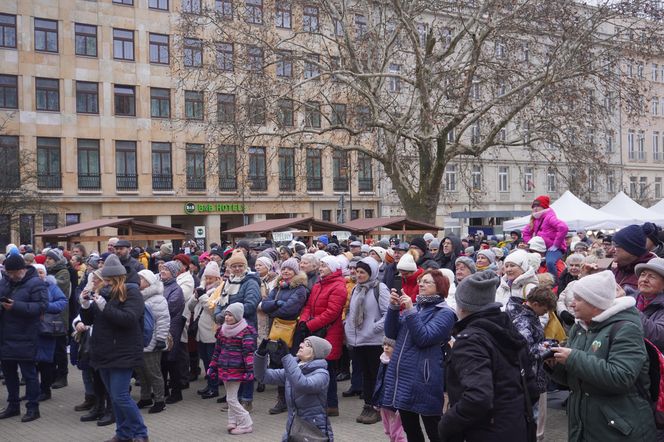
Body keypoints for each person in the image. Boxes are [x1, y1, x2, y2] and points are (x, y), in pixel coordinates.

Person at [547, 270, 656, 441]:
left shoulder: (626, 329)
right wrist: (553, 363)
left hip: (619, 430)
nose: (572, 304)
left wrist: (572, 357)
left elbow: (621, 377)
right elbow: (575, 380)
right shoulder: (580, 327)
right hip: (586, 425)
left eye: (579, 299)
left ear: (595, 303)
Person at [439, 270, 538, 442]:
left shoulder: (471, 341)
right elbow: (531, 388)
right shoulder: (508, 329)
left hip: (485, 432)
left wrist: (447, 423)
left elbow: (478, 397)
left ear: (462, 306)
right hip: (515, 426)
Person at [79, 254, 149, 442]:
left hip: (123, 351)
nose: (105, 283)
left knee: (120, 396)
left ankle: (141, 432)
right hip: (103, 350)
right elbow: (89, 321)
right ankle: (123, 433)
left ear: (118, 278)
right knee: (114, 396)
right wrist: (85, 305)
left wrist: (104, 307)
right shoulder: (102, 292)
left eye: (109, 280)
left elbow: (128, 319)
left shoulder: (132, 293)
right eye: (104, 280)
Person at [382, 269, 456, 442]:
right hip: (404, 377)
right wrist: (393, 308)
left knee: (434, 428)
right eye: (421, 281)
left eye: (427, 282)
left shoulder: (445, 313)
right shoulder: (416, 308)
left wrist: (409, 311)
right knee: (411, 429)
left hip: (424, 379)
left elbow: (424, 338)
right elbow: (391, 333)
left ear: (440, 287)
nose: (421, 284)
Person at [254, 336, 334, 441]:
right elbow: (262, 376)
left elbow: (302, 384)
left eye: (307, 344)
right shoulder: (293, 369)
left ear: (315, 353)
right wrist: (261, 355)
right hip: (293, 429)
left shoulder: (322, 374)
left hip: (313, 432)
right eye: (303, 342)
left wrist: (287, 357)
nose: (301, 345)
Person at [296, 255, 347, 416]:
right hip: (316, 331)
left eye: (324, 266)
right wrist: (303, 321)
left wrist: (310, 325)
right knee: (316, 368)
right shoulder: (319, 284)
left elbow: (332, 313)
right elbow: (308, 306)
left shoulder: (338, 286)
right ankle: (318, 403)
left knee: (328, 369)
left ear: (332, 268)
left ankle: (331, 404)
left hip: (329, 333)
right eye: (321, 265)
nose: (320, 268)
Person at [0, 255, 48, 422]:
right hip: (5, 336)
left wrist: (15, 306)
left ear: (22, 270)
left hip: (26, 335)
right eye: (8, 272)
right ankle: (13, 405)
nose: (10, 275)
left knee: (29, 374)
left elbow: (42, 306)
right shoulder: (5, 281)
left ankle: (33, 408)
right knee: (9, 374)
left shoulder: (36, 283)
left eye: (13, 272)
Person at [506, 285, 557, 441]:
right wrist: (550, 348)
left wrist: (547, 343)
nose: (546, 313)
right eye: (545, 309)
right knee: (534, 419)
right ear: (535, 304)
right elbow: (526, 350)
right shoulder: (524, 320)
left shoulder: (522, 314)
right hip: (531, 377)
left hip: (528, 376)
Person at [259, 257, 308, 415]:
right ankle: (281, 399)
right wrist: (275, 305)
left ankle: (293, 399)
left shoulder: (300, 288)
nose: (286, 271)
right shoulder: (278, 286)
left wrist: (274, 307)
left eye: (290, 269)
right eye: (284, 269)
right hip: (275, 331)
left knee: (289, 364)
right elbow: (264, 305)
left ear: (295, 272)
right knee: (276, 363)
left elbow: (290, 310)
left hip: (291, 332)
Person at [213, 249, 261, 411]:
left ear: (245, 266)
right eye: (234, 266)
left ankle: (246, 399)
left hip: (245, 330)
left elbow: (251, 304)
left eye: (240, 266)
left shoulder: (250, 281)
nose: (237, 269)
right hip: (229, 330)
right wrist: (219, 315)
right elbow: (220, 301)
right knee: (234, 365)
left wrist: (229, 314)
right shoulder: (229, 281)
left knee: (246, 365)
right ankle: (234, 399)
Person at [344, 257, 390, 425]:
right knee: (366, 376)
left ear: (371, 273)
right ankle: (368, 404)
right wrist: (348, 328)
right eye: (357, 272)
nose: (359, 275)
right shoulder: (357, 288)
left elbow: (388, 313)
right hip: (359, 340)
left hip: (374, 341)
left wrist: (373, 328)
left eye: (363, 272)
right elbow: (352, 312)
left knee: (375, 376)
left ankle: (378, 407)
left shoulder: (380, 288)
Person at [207, 303, 256, 435]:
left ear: (238, 316)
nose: (227, 317)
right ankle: (232, 420)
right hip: (223, 367)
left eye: (231, 315)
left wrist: (250, 371)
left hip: (237, 369)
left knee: (231, 399)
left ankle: (246, 422)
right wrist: (212, 366)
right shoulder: (222, 330)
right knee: (230, 396)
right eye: (226, 314)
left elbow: (248, 353)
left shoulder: (245, 332)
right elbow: (217, 350)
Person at [135, 269, 170, 414]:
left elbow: (163, 320)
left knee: (154, 372)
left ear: (148, 282)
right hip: (139, 341)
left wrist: (161, 338)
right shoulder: (138, 297)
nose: (138, 281)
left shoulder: (158, 299)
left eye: (141, 279)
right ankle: (145, 396)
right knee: (141, 373)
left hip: (153, 341)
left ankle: (160, 400)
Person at [33, 264, 68, 402]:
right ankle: (33, 389)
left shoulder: (52, 287)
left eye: (41, 272)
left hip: (46, 330)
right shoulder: (29, 287)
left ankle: (45, 390)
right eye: (36, 272)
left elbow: (62, 301)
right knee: (31, 362)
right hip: (31, 329)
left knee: (45, 362)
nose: (39, 275)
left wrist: (46, 306)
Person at [189, 261, 224, 400]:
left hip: (211, 331)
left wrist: (203, 296)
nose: (208, 280)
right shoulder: (202, 287)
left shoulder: (220, 289)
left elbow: (212, 310)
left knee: (211, 361)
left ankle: (214, 387)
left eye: (211, 277)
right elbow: (190, 307)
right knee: (204, 359)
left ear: (217, 278)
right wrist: (196, 296)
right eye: (206, 277)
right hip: (200, 330)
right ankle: (209, 385)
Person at [522, 195, 568, 279]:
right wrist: (531, 244)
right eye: (534, 206)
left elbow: (563, 227)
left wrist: (556, 245)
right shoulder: (535, 219)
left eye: (538, 206)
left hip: (554, 249)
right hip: (541, 249)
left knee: (550, 263)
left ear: (544, 207)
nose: (535, 208)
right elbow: (525, 232)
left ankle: (555, 283)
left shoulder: (549, 217)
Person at [44, 248, 71, 390]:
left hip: (60, 316)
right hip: (49, 317)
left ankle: (63, 376)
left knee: (60, 349)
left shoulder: (63, 272)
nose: (47, 260)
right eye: (46, 258)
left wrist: (45, 279)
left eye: (50, 258)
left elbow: (58, 284)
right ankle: (53, 375)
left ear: (56, 260)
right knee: (52, 349)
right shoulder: (48, 272)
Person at [159, 261, 185, 404]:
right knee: (162, 361)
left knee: (171, 360)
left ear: (173, 273)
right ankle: (163, 389)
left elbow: (169, 308)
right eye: (162, 269)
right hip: (161, 327)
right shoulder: (160, 286)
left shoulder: (176, 289)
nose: (162, 271)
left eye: (166, 270)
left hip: (172, 328)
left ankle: (177, 391)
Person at [373, 337, 406, 442]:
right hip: (383, 400)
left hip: (394, 402)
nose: (386, 347)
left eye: (390, 345)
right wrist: (377, 399)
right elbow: (379, 381)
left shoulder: (399, 363)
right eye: (385, 345)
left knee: (396, 429)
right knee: (387, 428)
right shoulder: (383, 360)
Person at [612, 224, 656, 294]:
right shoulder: (617, 269)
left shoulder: (651, 273)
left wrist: (626, 299)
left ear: (631, 249)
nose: (612, 250)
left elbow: (653, 302)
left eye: (617, 245)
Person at [634, 257, 664, 351]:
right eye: (643, 275)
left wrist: (628, 307)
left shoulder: (628, 303)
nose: (645, 280)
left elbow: (658, 336)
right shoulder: (630, 297)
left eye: (652, 277)